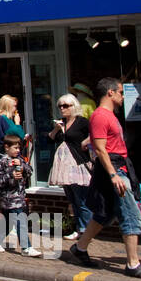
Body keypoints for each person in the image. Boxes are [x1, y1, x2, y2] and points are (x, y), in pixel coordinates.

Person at [66, 77, 141, 280]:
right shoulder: (101, 116)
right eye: (120, 92)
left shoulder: (108, 116)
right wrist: (113, 175)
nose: (122, 96)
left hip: (118, 166)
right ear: (110, 92)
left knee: (104, 214)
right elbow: (100, 149)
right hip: (114, 168)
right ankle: (133, 264)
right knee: (131, 215)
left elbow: (95, 142)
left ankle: (80, 248)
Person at [47, 93, 93, 240]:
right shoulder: (61, 123)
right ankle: (79, 228)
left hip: (78, 164)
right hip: (64, 167)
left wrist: (86, 142)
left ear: (74, 106)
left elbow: (95, 134)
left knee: (81, 199)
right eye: (60, 106)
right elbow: (50, 140)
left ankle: (86, 230)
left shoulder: (82, 122)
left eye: (65, 106)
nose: (62, 108)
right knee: (72, 199)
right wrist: (56, 129)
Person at [0, 133, 41, 256]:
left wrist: (22, 167)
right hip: (8, 199)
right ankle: (26, 248)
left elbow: (30, 171)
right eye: (15, 148)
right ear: (7, 147)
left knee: (8, 223)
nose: (18, 150)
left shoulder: (20, 160)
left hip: (19, 198)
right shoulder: (2, 162)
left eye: (19, 148)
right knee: (20, 221)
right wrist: (10, 176)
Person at [0, 95, 24, 178]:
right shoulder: (3, 119)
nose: (16, 109)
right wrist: (17, 123)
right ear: (8, 106)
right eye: (14, 106)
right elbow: (18, 135)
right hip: (3, 155)